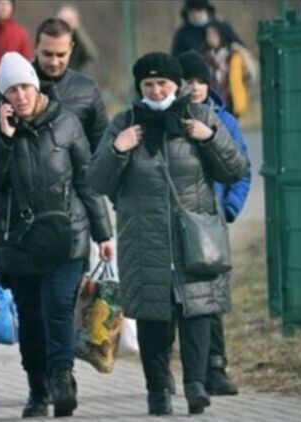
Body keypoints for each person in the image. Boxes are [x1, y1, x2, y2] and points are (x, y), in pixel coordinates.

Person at [86, 52, 248, 416]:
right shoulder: (125, 124)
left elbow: (235, 169)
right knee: (153, 319)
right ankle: (158, 391)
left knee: (197, 312)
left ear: (177, 85)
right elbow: (96, 181)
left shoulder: (201, 117)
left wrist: (210, 138)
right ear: (139, 87)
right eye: (148, 84)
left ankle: (196, 385)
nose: (156, 91)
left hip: (195, 239)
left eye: (163, 83)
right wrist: (117, 149)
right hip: (145, 240)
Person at [0, 52, 114, 418]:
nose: (20, 96)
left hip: (67, 234)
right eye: (11, 90)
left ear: (36, 87)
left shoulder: (65, 122)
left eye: (25, 87)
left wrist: (103, 233)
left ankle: (62, 379)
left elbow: (86, 180)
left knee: (58, 307)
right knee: (31, 318)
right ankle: (38, 389)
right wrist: (4, 140)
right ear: (2, 96)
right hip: (17, 241)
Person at [0, 17, 109, 239]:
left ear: (72, 48)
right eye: (47, 54)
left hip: (72, 210)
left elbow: (99, 148)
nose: (54, 62)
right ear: (36, 47)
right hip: (23, 208)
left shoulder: (86, 90)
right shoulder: (11, 85)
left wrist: (102, 224)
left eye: (61, 55)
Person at [178, 50, 251, 396]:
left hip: (212, 222)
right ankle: (184, 368)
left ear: (209, 84)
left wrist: (230, 208)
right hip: (178, 221)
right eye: (187, 81)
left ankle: (216, 366)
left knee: (213, 295)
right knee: (184, 298)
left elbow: (242, 169)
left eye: (200, 81)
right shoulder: (171, 119)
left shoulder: (225, 121)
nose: (194, 87)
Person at [203, 22, 253, 118]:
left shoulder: (234, 55)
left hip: (231, 101)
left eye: (214, 34)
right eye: (208, 34)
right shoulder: (205, 57)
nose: (211, 38)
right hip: (212, 101)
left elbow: (249, 76)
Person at [171, 0, 242, 57]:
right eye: (192, 11)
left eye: (199, 10)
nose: (196, 14)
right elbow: (176, 57)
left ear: (206, 10)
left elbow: (240, 47)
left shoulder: (222, 27)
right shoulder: (182, 33)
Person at [56, 4, 99, 73]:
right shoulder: (51, 37)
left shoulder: (78, 40)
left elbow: (90, 55)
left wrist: (77, 32)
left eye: (69, 20)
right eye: (63, 20)